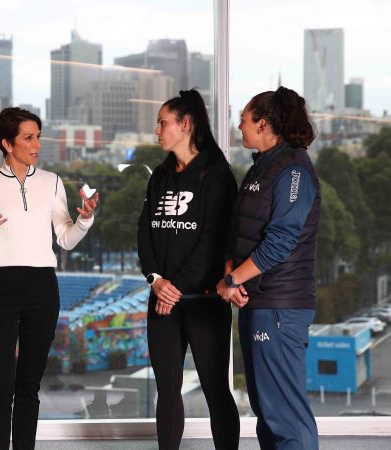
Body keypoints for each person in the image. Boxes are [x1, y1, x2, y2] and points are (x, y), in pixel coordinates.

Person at [0, 107, 98, 449]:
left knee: (29, 385)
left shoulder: (53, 182)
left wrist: (84, 220)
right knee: (0, 385)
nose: (37, 143)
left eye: (38, 136)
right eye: (28, 137)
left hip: (43, 287)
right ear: (7, 143)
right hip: (1, 287)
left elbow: (65, 238)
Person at [217, 86, 320, 450]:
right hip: (257, 302)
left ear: (263, 124)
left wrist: (231, 280)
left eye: (243, 121)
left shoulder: (293, 170)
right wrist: (232, 271)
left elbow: (280, 242)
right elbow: (239, 232)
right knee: (267, 410)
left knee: (285, 415)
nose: (238, 128)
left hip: (280, 305)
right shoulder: (261, 167)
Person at [137, 89, 240, 450]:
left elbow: (213, 241)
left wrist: (175, 287)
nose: (157, 130)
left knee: (215, 388)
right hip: (162, 301)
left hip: (204, 303)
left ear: (185, 125)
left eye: (163, 123)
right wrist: (156, 281)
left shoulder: (217, 175)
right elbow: (144, 233)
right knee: (167, 390)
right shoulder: (159, 177)